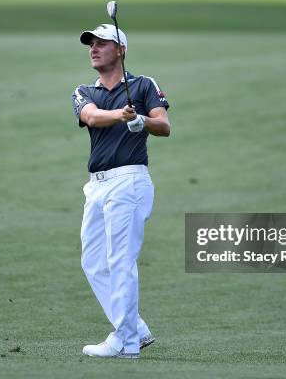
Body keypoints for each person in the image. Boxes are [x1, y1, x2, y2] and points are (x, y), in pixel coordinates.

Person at [71, 23, 171, 359]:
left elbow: (164, 125)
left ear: (121, 51)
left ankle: (126, 343)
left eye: (102, 43)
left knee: (120, 260)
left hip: (129, 181)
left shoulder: (143, 85)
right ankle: (136, 330)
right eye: (91, 44)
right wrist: (120, 115)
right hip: (96, 186)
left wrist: (140, 120)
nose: (94, 48)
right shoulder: (84, 90)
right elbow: (91, 116)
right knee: (93, 262)